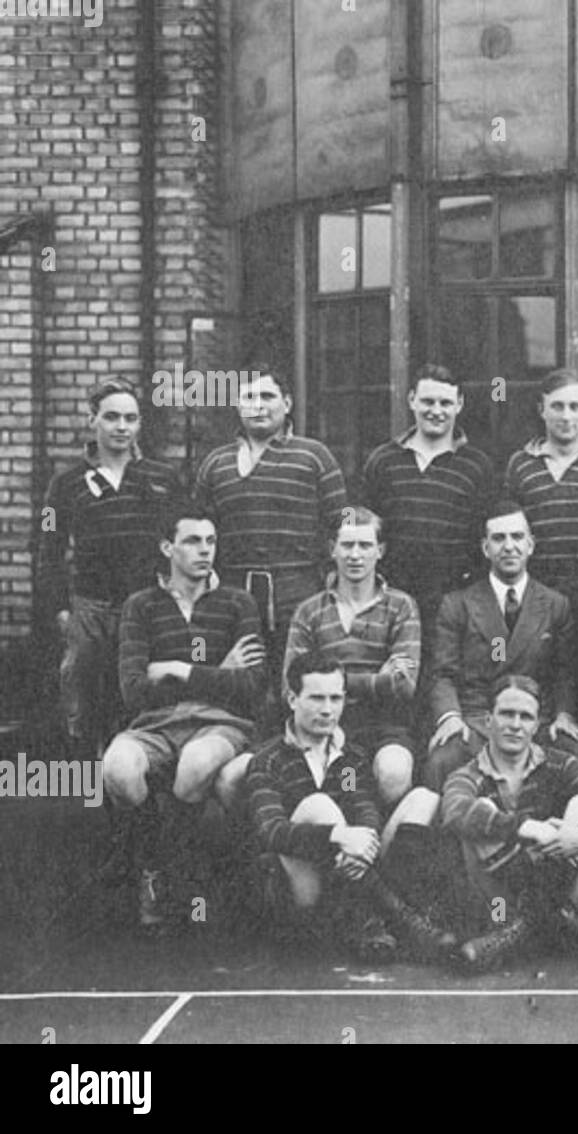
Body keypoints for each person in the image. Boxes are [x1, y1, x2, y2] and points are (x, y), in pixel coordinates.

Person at [101, 500, 265, 932]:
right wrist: (218, 671)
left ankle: (186, 879)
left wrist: (179, 668)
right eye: (192, 541)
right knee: (118, 769)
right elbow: (134, 690)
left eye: (211, 541)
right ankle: (156, 867)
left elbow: (251, 687)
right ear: (167, 547)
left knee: (195, 765)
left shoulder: (238, 603)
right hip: (155, 724)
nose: (205, 550)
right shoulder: (141, 606)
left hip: (220, 723)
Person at [245, 651, 453, 963]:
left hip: (350, 875)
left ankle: (378, 917)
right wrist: (337, 837)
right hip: (299, 890)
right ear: (292, 699)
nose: (328, 710)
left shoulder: (348, 759)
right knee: (319, 805)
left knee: (424, 799)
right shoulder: (268, 759)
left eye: (335, 699)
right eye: (316, 698)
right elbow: (270, 832)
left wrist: (363, 839)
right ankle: (398, 920)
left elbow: (362, 806)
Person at [38, 379, 182, 757]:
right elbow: (48, 550)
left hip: (146, 608)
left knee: (140, 703)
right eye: (112, 417)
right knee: (84, 703)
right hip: (90, 610)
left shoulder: (162, 478)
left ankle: (135, 792)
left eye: (130, 418)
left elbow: (180, 539)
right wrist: (61, 612)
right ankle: (87, 794)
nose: (122, 426)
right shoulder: (64, 485)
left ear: (140, 425)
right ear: (93, 421)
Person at [440, 675, 578, 971]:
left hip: (552, 880)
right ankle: (544, 925)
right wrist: (526, 827)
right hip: (497, 906)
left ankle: (535, 925)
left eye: (525, 717)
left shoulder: (561, 763)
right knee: (479, 812)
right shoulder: (468, 773)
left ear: (537, 725)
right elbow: (454, 811)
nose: (515, 724)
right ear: (488, 720)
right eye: (506, 714)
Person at [194, 366, 347, 701]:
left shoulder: (314, 456)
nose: (258, 406)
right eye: (249, 397)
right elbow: (198, 530)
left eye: (267, 396)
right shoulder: (215, 463)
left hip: (298, 593)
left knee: (294, 685)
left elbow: (340, 524)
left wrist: (332, 579)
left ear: (287, 403)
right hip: (233, 594)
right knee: (240, 686)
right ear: (237, 404)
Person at [423, 501, 578, 792]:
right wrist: (450, 717)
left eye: (517, 537)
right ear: (485, 548)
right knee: (441, 761)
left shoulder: (555, 605)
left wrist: (564, 713)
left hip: (536, 721)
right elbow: (442, 673)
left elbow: (565, 673)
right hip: (478, 719)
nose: (509, 546)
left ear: (530, 545)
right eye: (499, 538)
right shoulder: (458, 604)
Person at [282, 507, 421, 806]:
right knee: (332, 787)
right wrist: (378, 680)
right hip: (324, 723)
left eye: (365, 545)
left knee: (393, 773)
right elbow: (290, 687)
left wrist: (329, 681)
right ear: (332, 549)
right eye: (347, 545)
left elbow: (404, 686)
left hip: (384, 724)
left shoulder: (401, 606)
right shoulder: (309, 611)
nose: (355, 555)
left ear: (380, 551)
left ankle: (384, 847)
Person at [360, 362, 496, 630]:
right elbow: (365, 530)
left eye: (445, 403)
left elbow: (485, 538)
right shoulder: (382, 460)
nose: (436, 411)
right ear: (412, 400)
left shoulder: (478, 466)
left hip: (454, 603)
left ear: (459, 404)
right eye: (428, 401)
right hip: (391, 601)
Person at [503, 368, 578, 613]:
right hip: (536, 594)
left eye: (574, 407)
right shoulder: (521, 463)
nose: (566, 416)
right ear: (542, 410)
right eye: (557, 406)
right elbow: (510, 532)